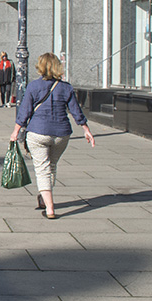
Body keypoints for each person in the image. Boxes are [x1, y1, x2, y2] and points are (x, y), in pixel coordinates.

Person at [9, 52, 95, 219]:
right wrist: (86, 129)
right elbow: (76, 111)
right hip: (61, 134)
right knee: (51, 166)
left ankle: (49, 208)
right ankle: (44, 196)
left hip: (38, 132)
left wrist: (16, 131)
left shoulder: (33, 86)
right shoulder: (66, 87)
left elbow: (24, 111)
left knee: (42, 169)